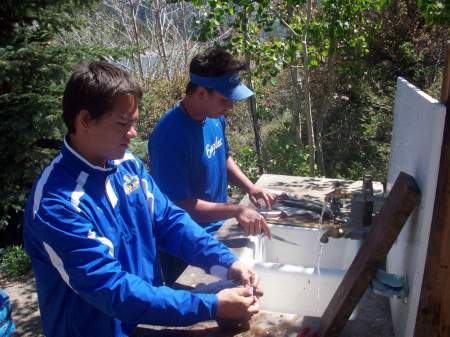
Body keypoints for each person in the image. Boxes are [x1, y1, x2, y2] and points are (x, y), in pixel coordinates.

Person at [23, 61, 262, 337]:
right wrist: (212, 305)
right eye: (122, 124)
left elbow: (170, 222)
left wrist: (226, 263)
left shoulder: (126, 165)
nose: (133, 133)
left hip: (143, 321)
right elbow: (114, 290)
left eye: (133, 122)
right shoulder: (56, 205)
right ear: (85, 120)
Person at [148, 48, 275, 285]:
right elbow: (178, 206)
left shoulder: (213, 117)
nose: (230, 107)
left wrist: (250, 188)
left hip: (219, 232)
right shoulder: (169, 137)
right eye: (225, 99)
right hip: (186, 247)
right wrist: (236, 210)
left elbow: (223, 156)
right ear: (201, 92)